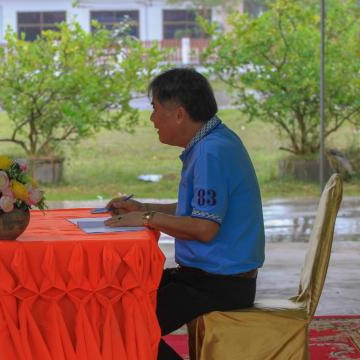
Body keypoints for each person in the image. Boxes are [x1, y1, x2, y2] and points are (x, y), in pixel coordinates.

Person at [104, 68, 265, 360]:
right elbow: (199, 211)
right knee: (120, 299)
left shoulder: (211, 152)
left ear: (179, 114)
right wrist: (145, 208)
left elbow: (204, 228)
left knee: (123, 326)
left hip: (220, 284)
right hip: (206, 277)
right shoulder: (213, 141)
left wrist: (147, 220)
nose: (152, 119)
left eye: (154, 109)